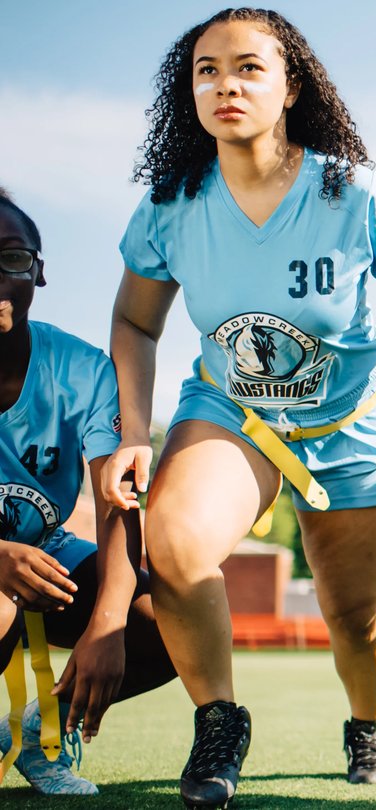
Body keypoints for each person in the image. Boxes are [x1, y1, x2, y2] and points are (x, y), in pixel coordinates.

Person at [101, 8, 376, 807]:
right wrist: (133, 431)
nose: (226, 83)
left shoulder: (353, 193)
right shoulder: (172, 205)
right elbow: (134, 321)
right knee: (176, 544)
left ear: (292, 85)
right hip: (234, 415)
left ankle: (368, 725)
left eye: (250, 67)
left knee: (355, 618)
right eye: (207, 69)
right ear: (188, 90)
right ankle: (220, 720)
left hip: (347, 427)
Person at [0, 189, 176, 795]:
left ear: (39, 271)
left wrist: (106, 623)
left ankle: (34, 736)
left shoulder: (80, 370)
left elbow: (117, 501)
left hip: (47, 553)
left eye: (11, 258)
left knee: (172, 619)